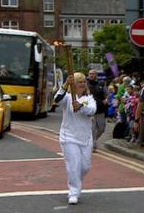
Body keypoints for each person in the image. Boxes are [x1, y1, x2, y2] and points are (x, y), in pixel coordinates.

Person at [54, 72, 96, 205]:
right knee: (74, 165)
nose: (83, 84)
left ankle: (75, 180)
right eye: (80, 81)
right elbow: (56, 99)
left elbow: (92, 110)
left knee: (85, 167)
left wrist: (81, 106)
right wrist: (65, 84)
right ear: (74, 84)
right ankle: (73, 192)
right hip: (69, 137)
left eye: (84, 81)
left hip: (85, 138)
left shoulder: (89, 98)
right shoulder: (67, 97)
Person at [87, 69, 108, 152]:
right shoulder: (86, 84)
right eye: (90, 74)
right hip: (90, 110)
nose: (91, 75)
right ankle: (93, 145)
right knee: (92, 128)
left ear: (96, 75)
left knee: (102, 128)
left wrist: (106, 99)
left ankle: (93, 140)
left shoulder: (102, 83)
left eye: (93, 74)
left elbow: (107, 94)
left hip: (100, 109)